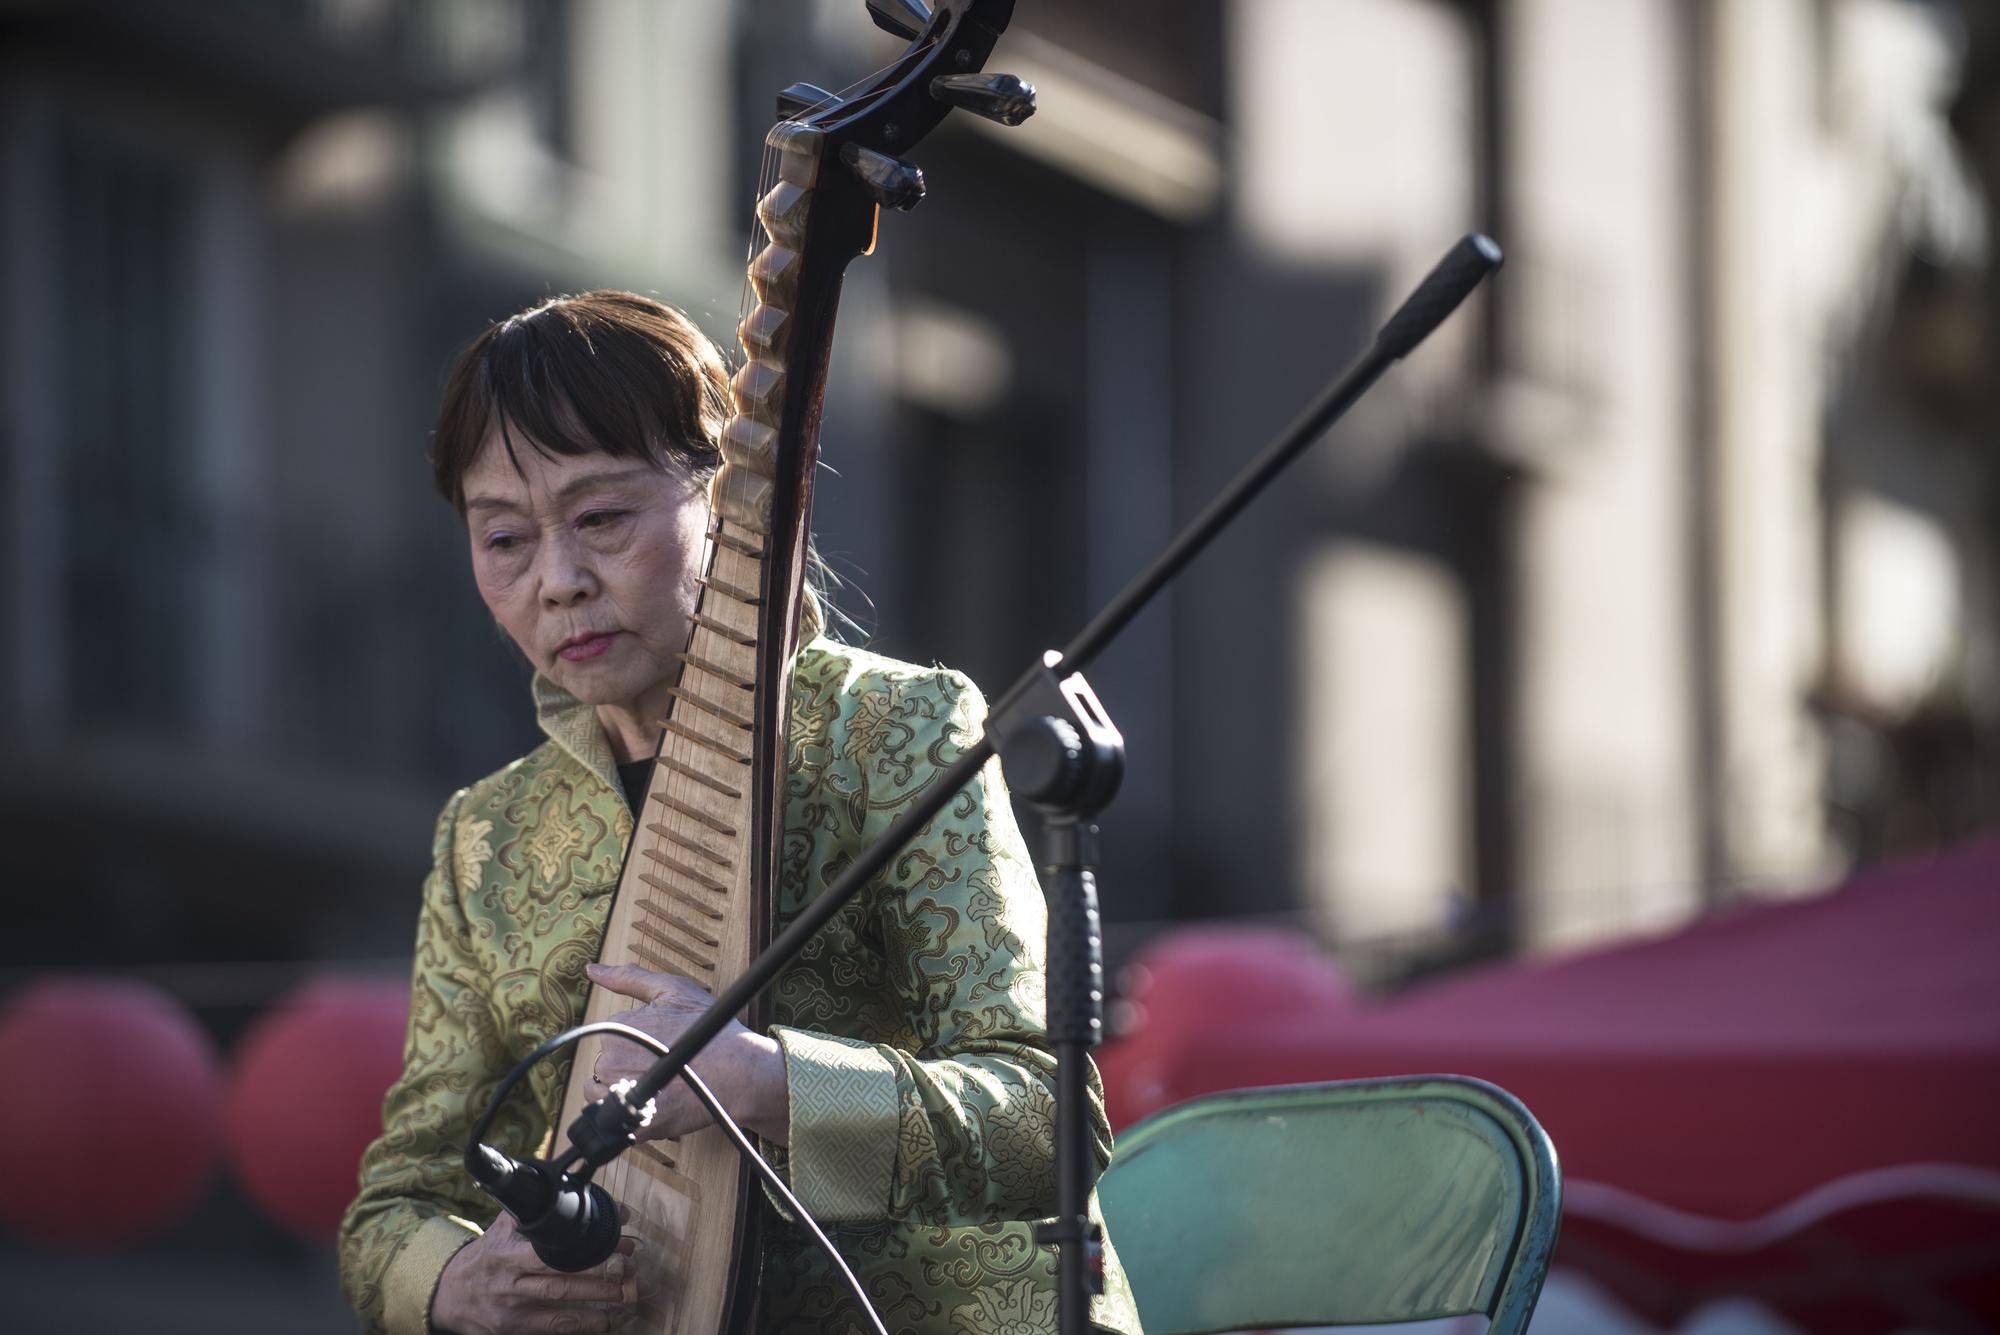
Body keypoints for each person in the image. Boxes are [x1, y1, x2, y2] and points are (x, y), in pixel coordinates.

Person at [336, 291, 1140, 1335]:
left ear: (727, 501)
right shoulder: (484, 839)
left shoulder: (890, 732)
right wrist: (455, 1281)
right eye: (504, 540)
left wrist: (766, 1083)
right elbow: (394, 1199)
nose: (559, 582)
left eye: (601, 519)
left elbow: (1049, 1119)